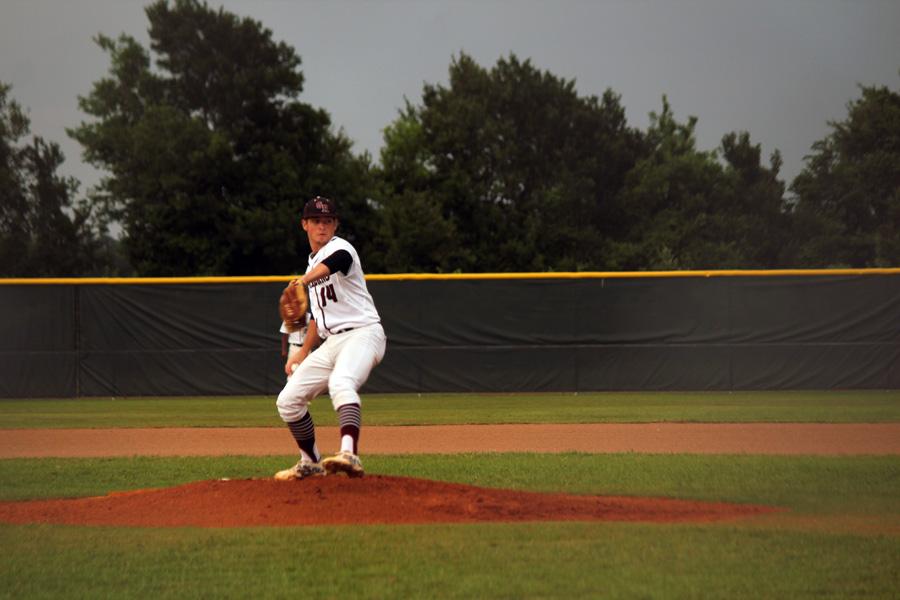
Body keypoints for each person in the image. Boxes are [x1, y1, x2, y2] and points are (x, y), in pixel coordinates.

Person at [274, 195, 387, 480]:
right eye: (316, 221)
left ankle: (349, 453)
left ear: (335, 225)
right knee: (288, 400)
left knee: (341, 381)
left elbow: (338, 262)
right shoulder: (311, 264)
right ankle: (311, 461)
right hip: (331, 342)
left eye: (327, 221)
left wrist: (304, 280)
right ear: (305, 225)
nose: (322, 226)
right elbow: (318, 317)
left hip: (364, 333)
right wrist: (302, 351)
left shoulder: (341, 248)